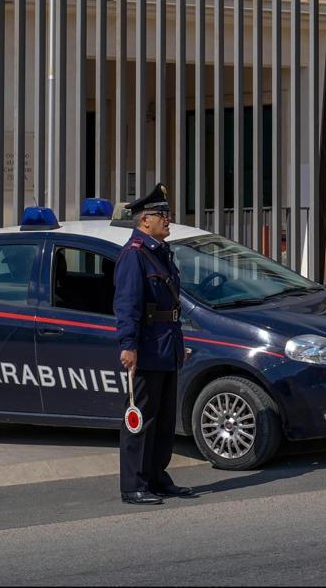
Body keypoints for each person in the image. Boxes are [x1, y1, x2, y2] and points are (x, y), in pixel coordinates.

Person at [113, 183, 196, 505]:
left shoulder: (159, 253)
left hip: (166, 344)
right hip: (146, 347)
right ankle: (133, 484)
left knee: (163, 420)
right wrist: (128, 345)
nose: (168, 219)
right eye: (162, 214)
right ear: (144, 220)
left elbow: (169, 307)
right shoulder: (134, 256)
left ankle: (157, 477)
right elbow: (128, 304)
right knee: (140, 420)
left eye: (167, 214)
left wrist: (179, 343)